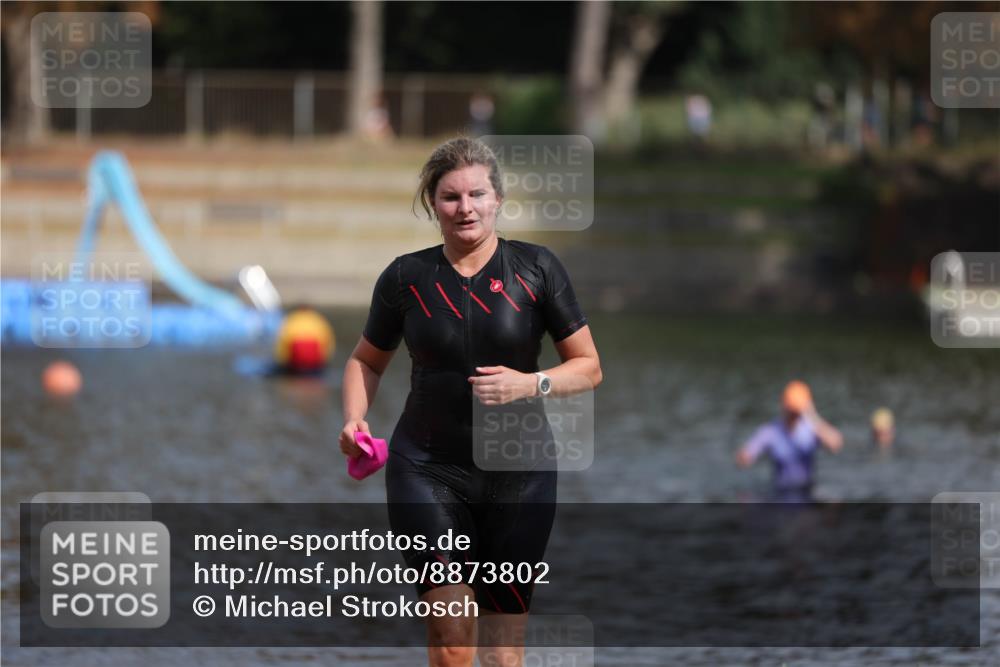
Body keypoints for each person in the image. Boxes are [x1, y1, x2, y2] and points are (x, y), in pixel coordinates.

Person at [339, 137, 602, 667]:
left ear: (497, 200)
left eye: (477, 194)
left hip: (520, 473)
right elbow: (365, 361)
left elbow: (589, 367)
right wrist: (353, 421)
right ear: (432, 204)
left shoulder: (537, 269)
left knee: (503, 654)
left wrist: (532, 384)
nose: (465, 208)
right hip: (427, 469)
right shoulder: (405, 278)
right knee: (454, 637)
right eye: (451, 197)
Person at [736, 380, 843, 503]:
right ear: (784, 406)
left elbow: (836, 444)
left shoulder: (812, 429)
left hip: (807, 491)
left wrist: (812, 415)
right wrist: (744, 457)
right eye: (791, 410)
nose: (793, 416)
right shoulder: (771, 431)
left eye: (797, 412)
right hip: (781, 492)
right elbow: (744, 457)